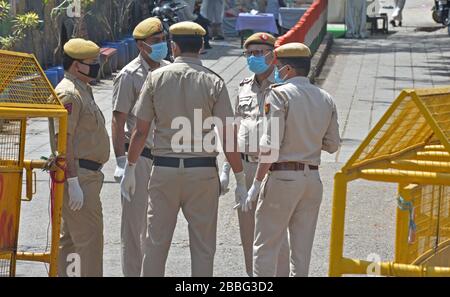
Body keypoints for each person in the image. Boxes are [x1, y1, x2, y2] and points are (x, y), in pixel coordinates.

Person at [120, 21, 247, 277]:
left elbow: (141, 131)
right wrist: (240, 177)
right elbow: (228, 135)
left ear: (173, 46)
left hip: (164, 170)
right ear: (201, 47)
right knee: (203, 247)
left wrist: (130, 167)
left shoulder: (156, 78)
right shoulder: (215, 81)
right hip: (202, 173)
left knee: (156, 244)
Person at [244, 42, 340, 277]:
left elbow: (270, 144)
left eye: (278, 66)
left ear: (287, 69)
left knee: (265, 247)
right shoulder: (325, 97)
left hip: (283, 178)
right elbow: (333, 144)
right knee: (302, 251)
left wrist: (256, 183)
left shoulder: (278, 93)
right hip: (312, 179)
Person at [219, 32, 289, 277]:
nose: (254, 57)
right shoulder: (244, 87)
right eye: (250, 53)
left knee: (275, 233)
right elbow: (235, 127)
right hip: (246, 167)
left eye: (259, 52)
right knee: (248, 232)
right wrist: (227, 169)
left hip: (274, 168)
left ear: (273, 54)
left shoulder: (284, 86)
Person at [112, 17, 170, 277]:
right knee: (135, 229)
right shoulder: (129, 75)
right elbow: (118, 119)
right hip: (140, 158)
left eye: (163, 40)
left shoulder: (168, 69)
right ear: (140, 45)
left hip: (165, 159)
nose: (161, 45)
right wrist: (122, 162)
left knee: (157, 228)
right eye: (155, 42)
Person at [55, 38, 110, 277]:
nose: (97, 66)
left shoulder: (82, 89)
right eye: (93, 63)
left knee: (70, 243)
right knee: (89, 244)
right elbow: (63, 141)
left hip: (86, 176)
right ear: (77, 66)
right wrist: (73, 181)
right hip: (79, 176)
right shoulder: (69, 94)